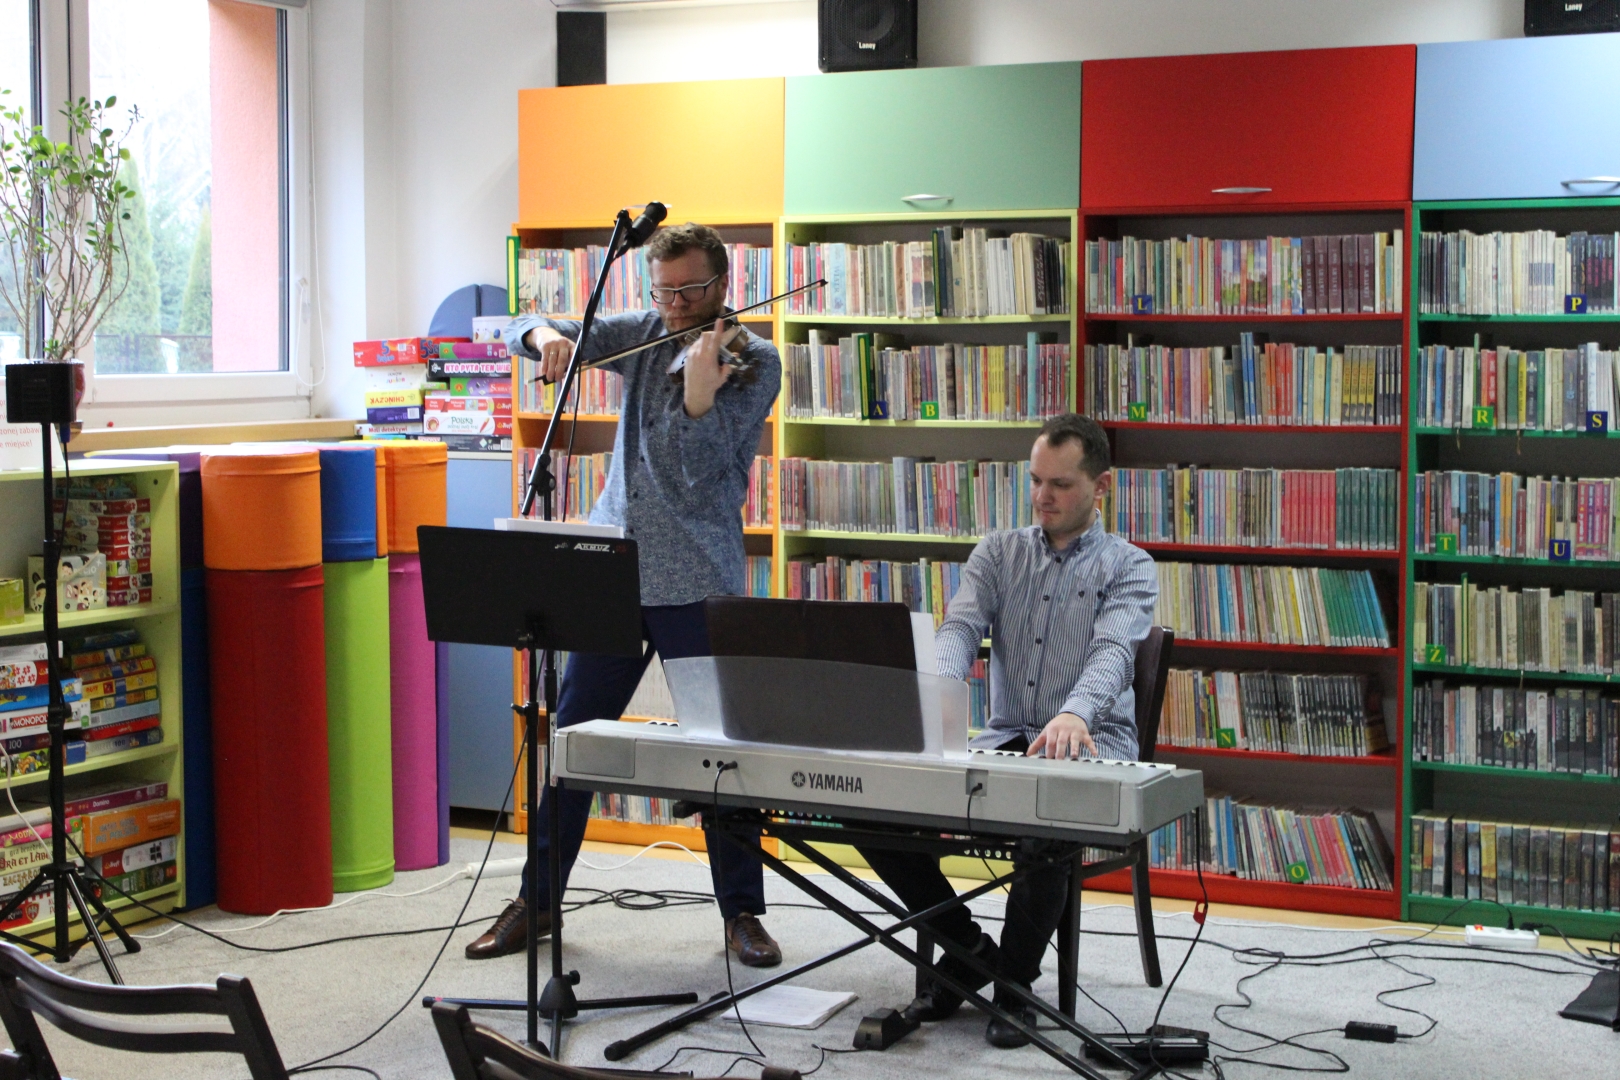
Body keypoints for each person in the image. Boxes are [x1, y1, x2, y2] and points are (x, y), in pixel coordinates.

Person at [465, 222, 784, 968]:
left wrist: (698, 399)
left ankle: (742, 911)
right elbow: (520, 325)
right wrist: (546, 337)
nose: (675, 306)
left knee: (721, 750)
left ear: (723, 284)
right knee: (575, 738)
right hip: (614, 569)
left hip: (697, 577)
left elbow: (697, 473)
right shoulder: (641, 331)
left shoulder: (753, 359)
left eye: (691, 291)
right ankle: (539, 900)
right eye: (663, 291)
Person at [856, 413, 1157, 1048]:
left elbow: (1112, 652)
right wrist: (933, 694)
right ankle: (968, 950)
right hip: (1005, 742)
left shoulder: (1130, 566)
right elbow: (960, 627)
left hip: (1093, 742)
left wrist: (1075, 712)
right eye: (1036, 480)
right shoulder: (998, 552)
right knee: (873, 807)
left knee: (1048, 819)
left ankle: (1015, 985)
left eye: (1061, 484)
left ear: (1101, 486)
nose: (1042, 496)